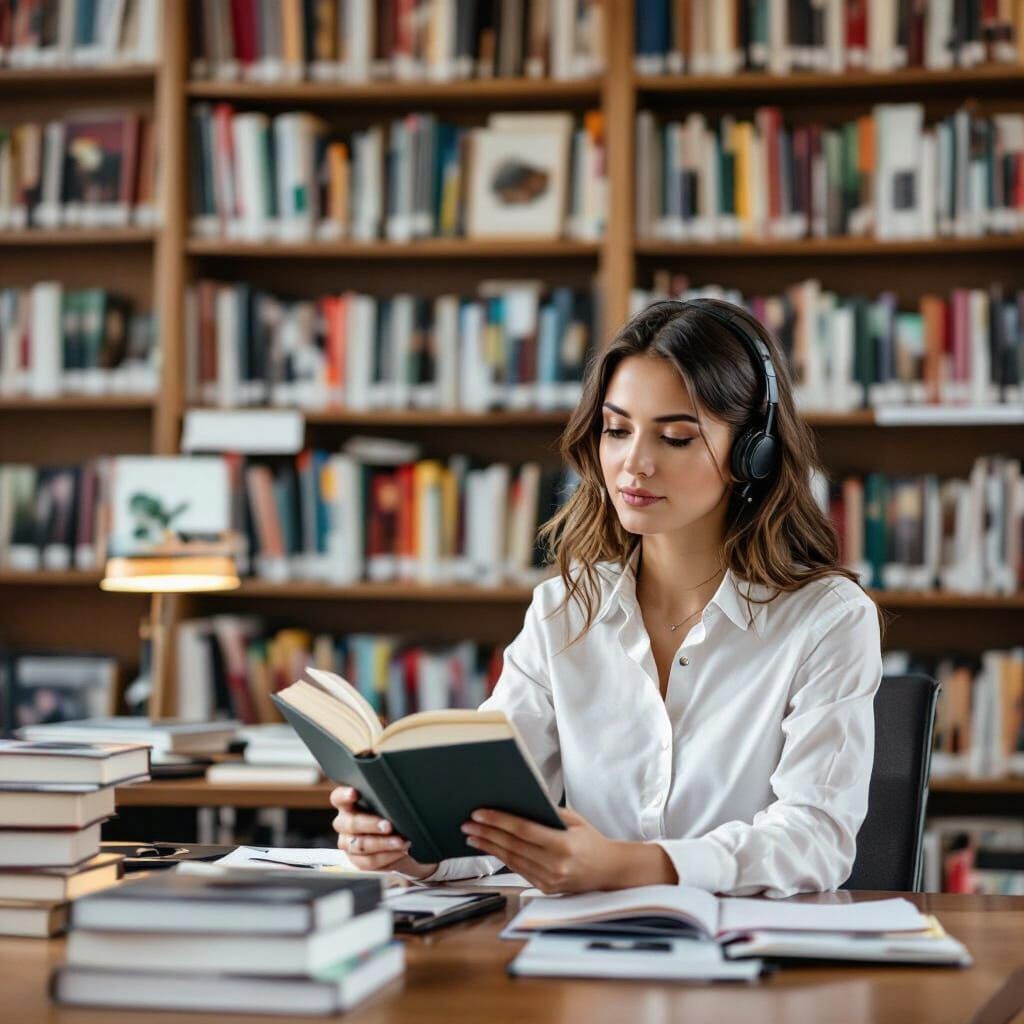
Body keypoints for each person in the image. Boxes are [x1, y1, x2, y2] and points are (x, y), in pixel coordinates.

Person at [330, 297, 883, 898]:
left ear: (754, 453)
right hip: (581, 957)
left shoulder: (827, 619)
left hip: (753, 965)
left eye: (675, 437)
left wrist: (632, 866)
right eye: (617, 430)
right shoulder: (564, 609)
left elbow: (816, 839)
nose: (633, 464)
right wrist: (414, 847)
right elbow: (490, 812)